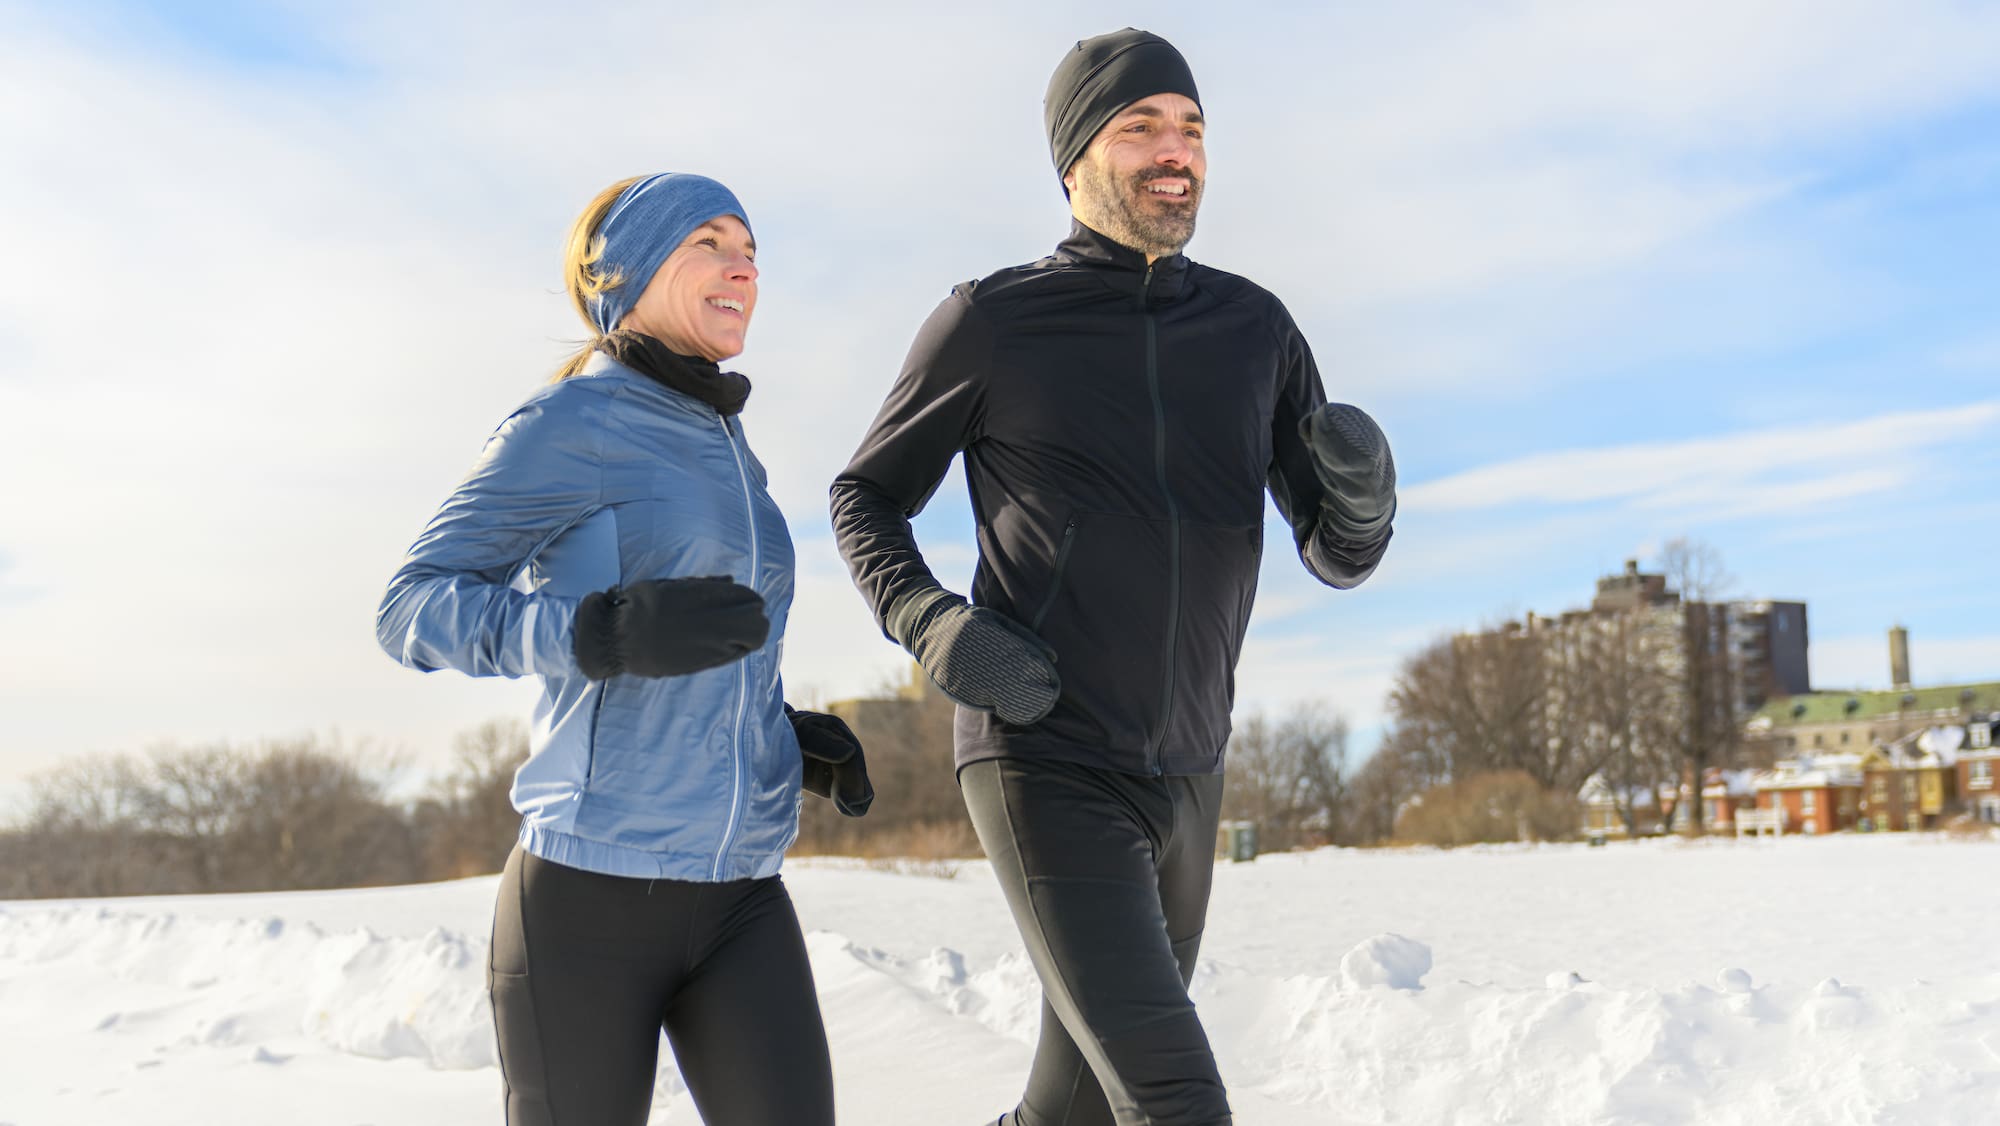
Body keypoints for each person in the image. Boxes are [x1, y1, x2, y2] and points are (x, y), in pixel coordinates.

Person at [830, 29, 1396, 1126]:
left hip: (1189, 764)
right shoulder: (991, 321)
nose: (1171, 150)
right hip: (1044, 752)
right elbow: (865, 496)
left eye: (1189, 128)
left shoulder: (1254, 329)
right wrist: (934, 625)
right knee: (1176, 1101)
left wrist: (1363, 509)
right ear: (1074, 158)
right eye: (1138, 126)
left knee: (1078, 1107)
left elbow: (1328, 551)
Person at [376, 172, 872, 1126]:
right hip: (588, 898)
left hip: (739, 897)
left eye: (751, 248)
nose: (743, 267)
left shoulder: (730, 443)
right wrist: (592, 633)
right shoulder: (572, 423)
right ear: (629, 274)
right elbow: (410, 608)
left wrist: (778, 734)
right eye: (708, 244)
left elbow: (703, 642)